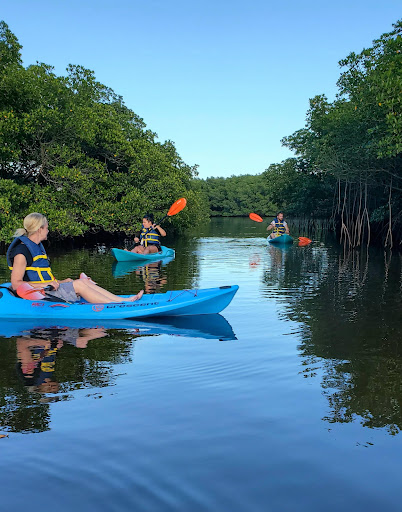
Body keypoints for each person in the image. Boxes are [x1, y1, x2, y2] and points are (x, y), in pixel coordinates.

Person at [7, 212, 144, 303]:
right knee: (79, 284)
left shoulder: (37, 247)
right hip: (38, 293)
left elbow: (44, 277)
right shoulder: (22, 252)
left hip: (47, 289)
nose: (48, 230)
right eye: (47, 228)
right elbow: (16, 283)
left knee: (84, 282)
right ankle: (118, 304)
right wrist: (45, 285)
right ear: (39, 229)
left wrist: (61, 281)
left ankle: (121, 300)